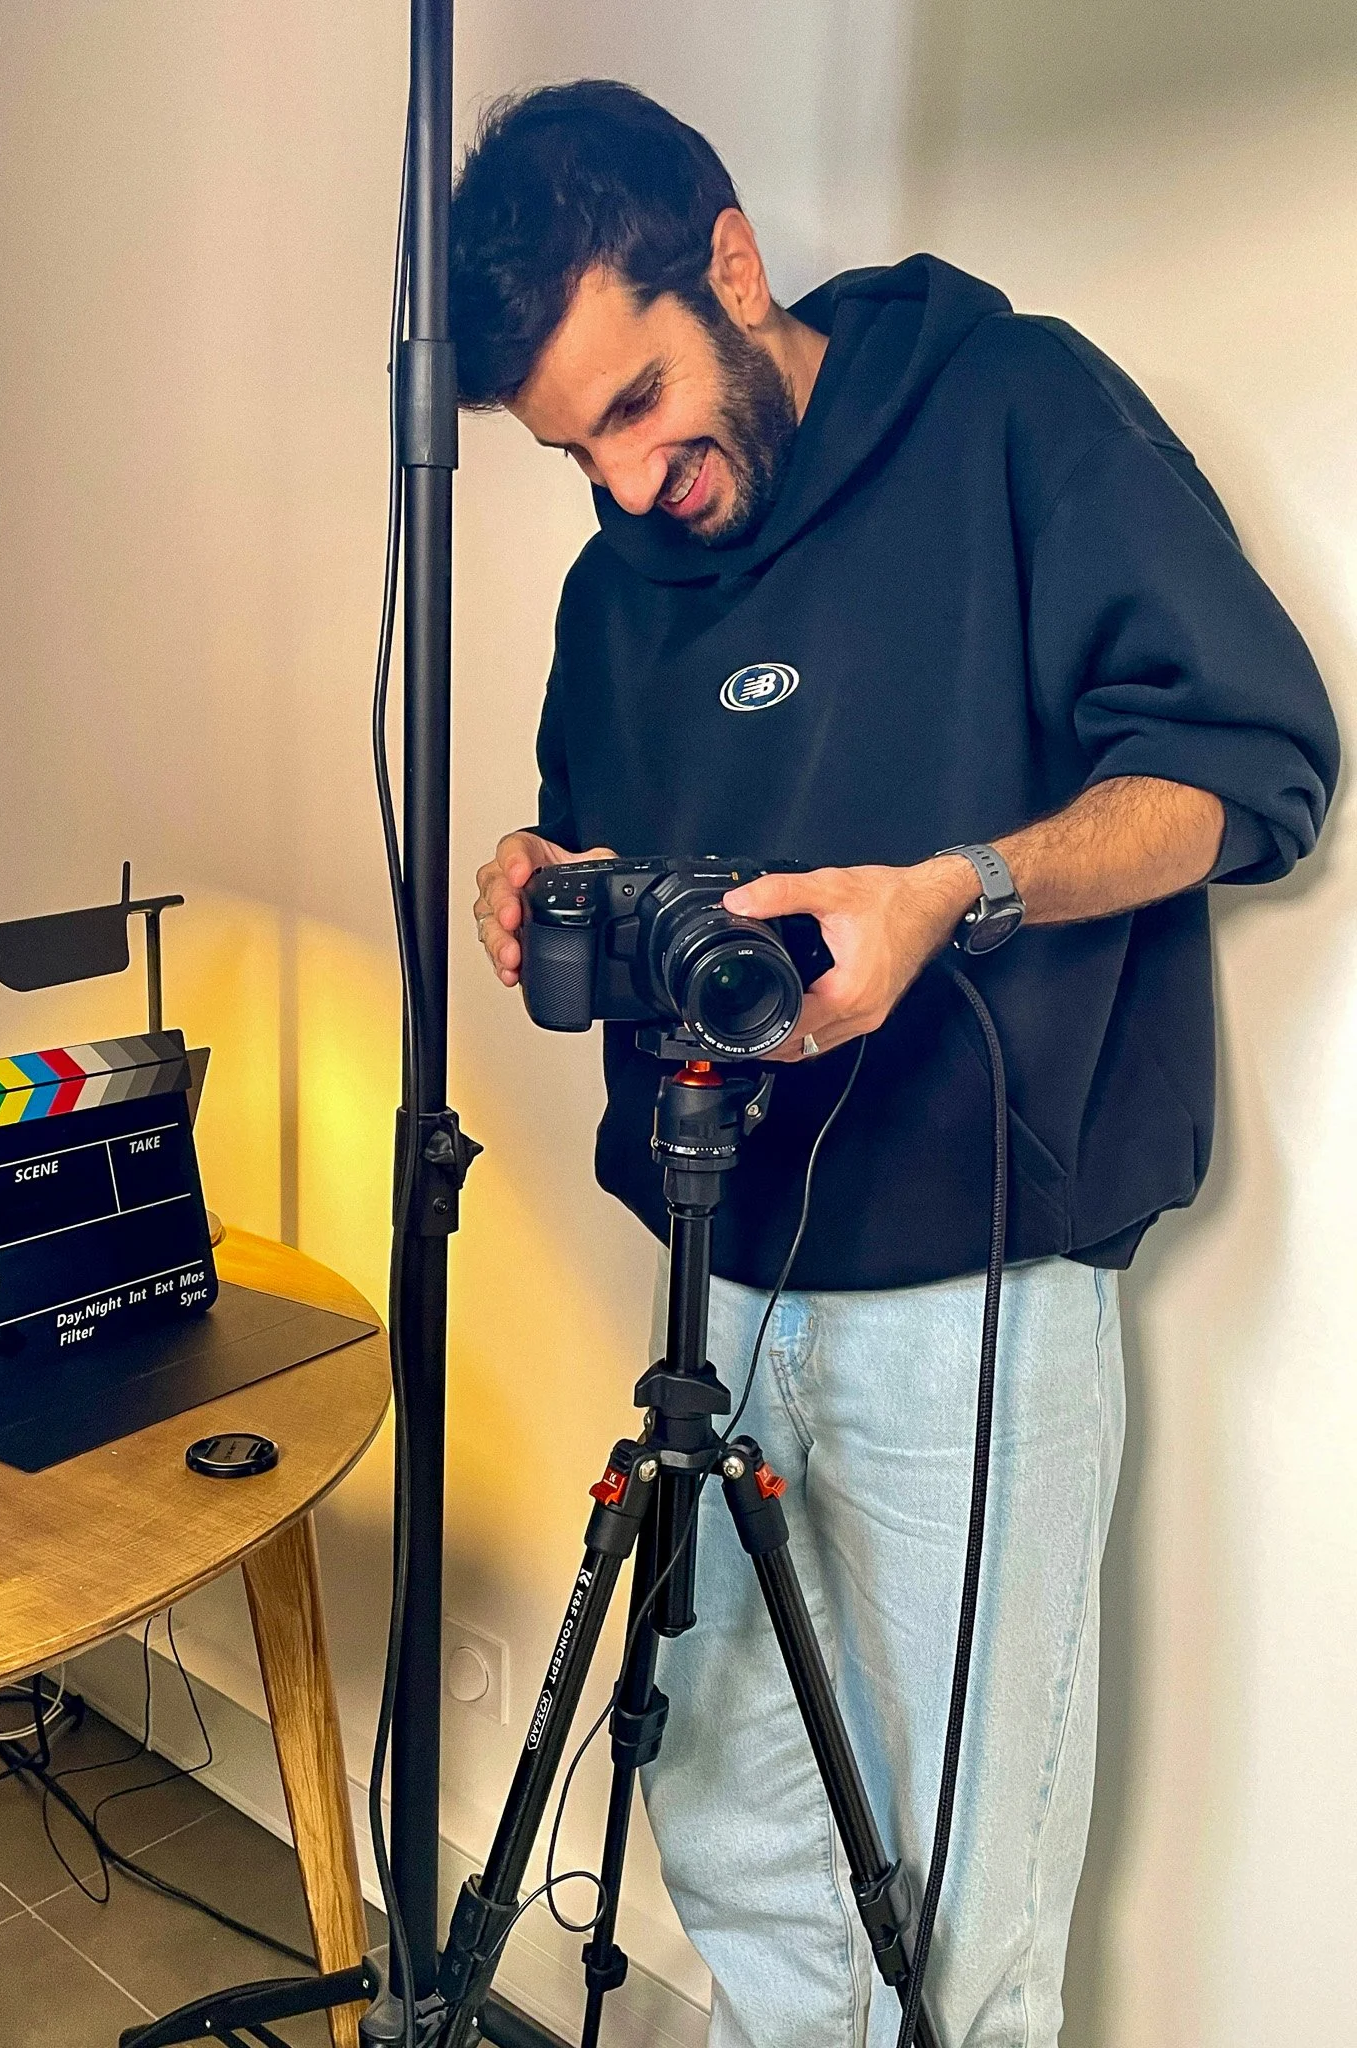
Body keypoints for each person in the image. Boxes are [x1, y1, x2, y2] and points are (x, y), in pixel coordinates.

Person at [456, 81, 1338, 2048]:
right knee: (729, 1814)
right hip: (730, 1280)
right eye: (568, 446)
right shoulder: (618, 591)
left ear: (733, 267)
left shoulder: (1013, 411)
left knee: (959, 1915)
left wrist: (962, 889)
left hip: (981, 1297)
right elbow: (637, 888)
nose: (617, 481)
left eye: (635, 403)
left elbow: (1250, 771)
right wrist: (548, 890)